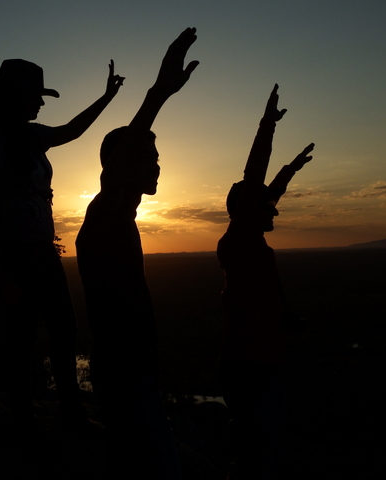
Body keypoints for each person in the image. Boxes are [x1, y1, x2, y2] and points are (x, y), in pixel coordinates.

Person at [75, 28, 199, 480]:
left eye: (157, 156)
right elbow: (127, 149)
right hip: (125, 375)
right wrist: (158, 92)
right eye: (147, 157)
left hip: (131, 371)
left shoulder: (117, 216)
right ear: (122, 165)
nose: (157, 165)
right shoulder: (105, 213)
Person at [0, 58, 124, 429]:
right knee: (24, 332)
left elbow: (73, 130)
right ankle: (24, 414)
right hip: (16, 250)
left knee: (64, 325)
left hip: (41, 247)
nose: (41, 103)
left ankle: (70, 410)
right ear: (14, 97)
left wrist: (107, 97)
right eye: (35, 96)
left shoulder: (31, 135)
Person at [217, 84, 314, 479]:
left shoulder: (251, 241)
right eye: (266, 207)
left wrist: (291, 170)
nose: (274, 211)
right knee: (258, 454)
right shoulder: (240, 239)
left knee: (264, 448)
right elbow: (255, 176)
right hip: (249, 366)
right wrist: (267, 125)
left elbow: (267, 192)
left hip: (261, 361)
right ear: (246, 210)